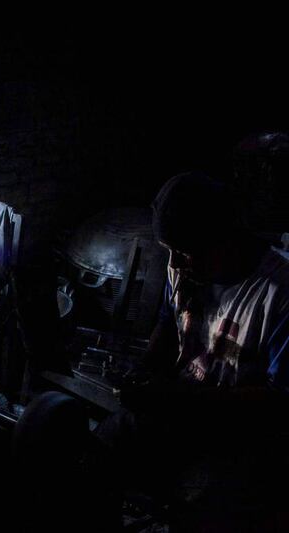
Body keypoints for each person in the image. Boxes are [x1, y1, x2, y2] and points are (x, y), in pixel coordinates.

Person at [94, 172, 289, 528]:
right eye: (170, 253)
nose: (176, 265)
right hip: (180, 410)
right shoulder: (185, 269)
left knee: (202, 505)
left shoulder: (278, 294)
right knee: (97, 455)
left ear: (226, 240)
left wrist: (177, 398)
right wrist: (144, 368)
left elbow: (279, 403)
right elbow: (172, 322)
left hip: (242, 436)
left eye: (186, 253)